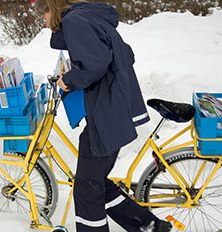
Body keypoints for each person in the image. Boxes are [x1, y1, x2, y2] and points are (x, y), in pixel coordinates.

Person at [34, 1, 173, 232]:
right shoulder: (87, 16)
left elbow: (94, 63)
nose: (43, 19)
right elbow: (120, 53)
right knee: (94, 181)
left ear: (52, 7)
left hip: (108, 114)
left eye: (43, 12)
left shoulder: (74, 21)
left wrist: (69, 80)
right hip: (112, 109)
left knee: (87, 188)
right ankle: (148, 224)